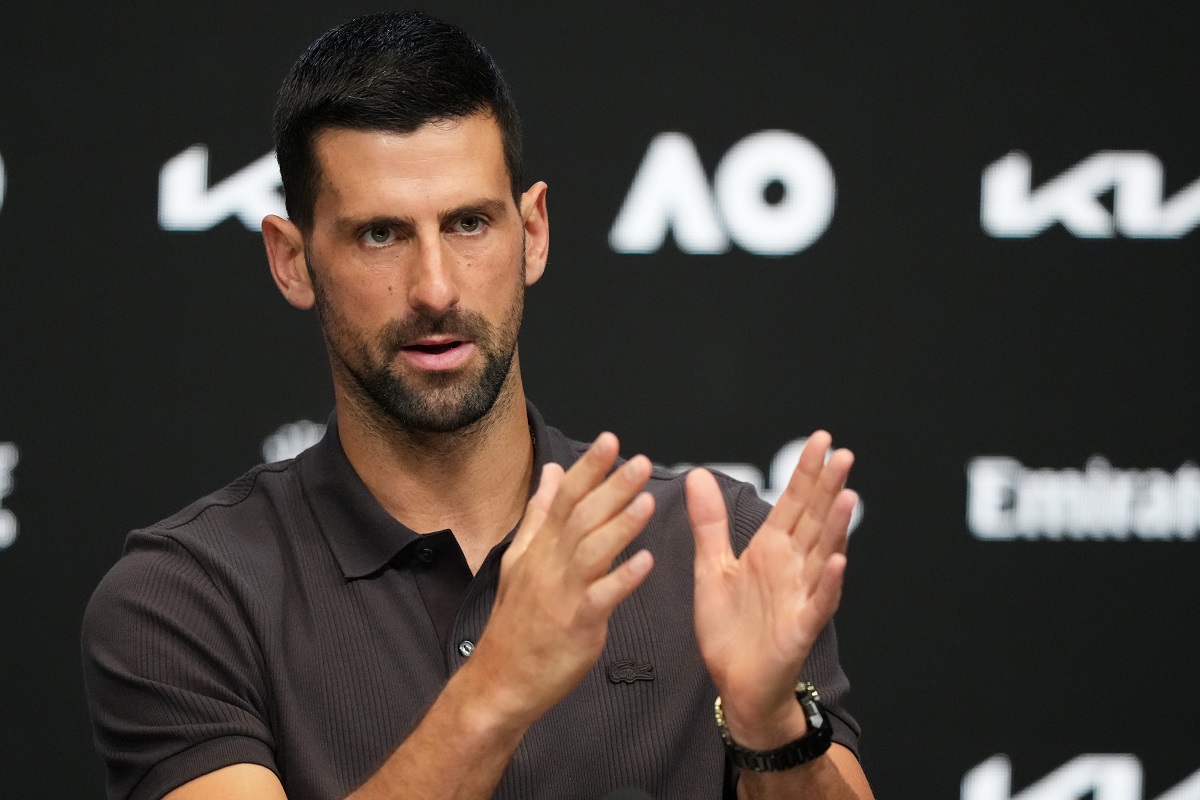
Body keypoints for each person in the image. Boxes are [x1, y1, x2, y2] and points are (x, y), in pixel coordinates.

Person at [82, 11, 874, 800]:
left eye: (469, 224)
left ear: (532, 233)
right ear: (292, 262)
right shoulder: (187, 598)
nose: (435, 288)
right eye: (380, 235)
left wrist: (771, 725)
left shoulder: (716, 551)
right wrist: (499, 686)